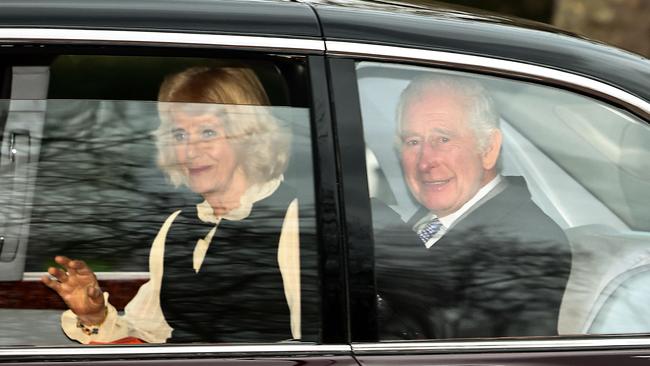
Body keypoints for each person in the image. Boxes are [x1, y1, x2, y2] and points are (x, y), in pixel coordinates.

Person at [41, 66, 313, 344]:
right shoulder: (176, 226)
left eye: (207, 133)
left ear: (247, 137)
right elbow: (147, 332)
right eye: (180, 135)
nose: (190, 151)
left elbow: (313, 348)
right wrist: (94, 316)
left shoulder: (295, 221)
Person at [373, 74, 572, 339]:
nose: (425, 161)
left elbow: (452, 347)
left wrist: (383, 236)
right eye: (413, 142)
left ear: (489, 148)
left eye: (443, 139)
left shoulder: (528, 241)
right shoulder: (430, 221)